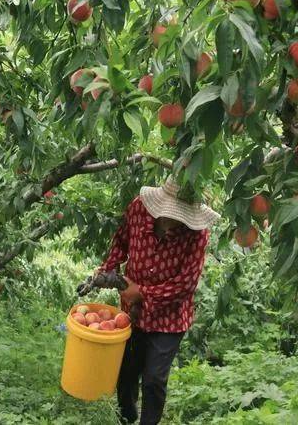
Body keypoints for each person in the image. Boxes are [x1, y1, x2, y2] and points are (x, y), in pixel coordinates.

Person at [96, 176, 220, 424]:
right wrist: (107, 271)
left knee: (154, 379)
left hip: (170, 317)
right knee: (126, 373)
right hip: (133, 311)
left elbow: (185, 285)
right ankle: (127, 417)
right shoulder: (138, 208)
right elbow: (121, 241)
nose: (173, 220)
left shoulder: (197, 234)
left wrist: (141, 292)